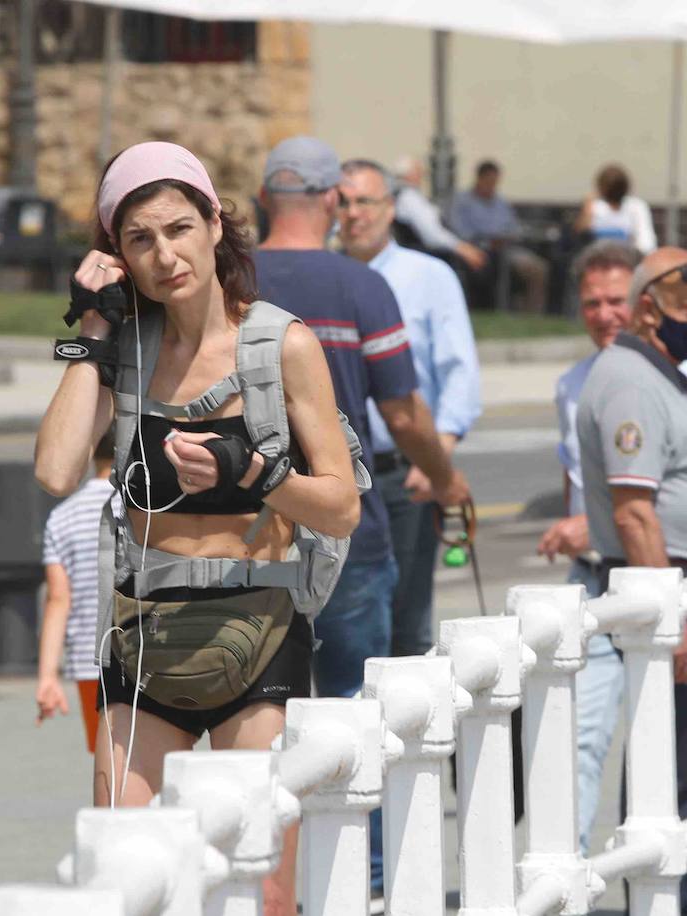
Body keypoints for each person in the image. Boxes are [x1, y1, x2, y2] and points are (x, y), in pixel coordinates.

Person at [35, 140, 362, 916]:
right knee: (118, 863)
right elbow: (55, 473)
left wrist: (254, 473)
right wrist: (90, 328)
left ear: (217, 223)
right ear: (115, 254)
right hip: (146, 635)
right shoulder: (123, 353)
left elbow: (343, 506)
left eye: (180, 228)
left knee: (266, 885)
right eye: (139, 238)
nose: (165, 254)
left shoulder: (282, 345)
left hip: (260, 632)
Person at [253, 137, 469, 903]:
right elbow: (406, 414)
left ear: (263, 199)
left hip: (246, 534)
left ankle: (269, 888)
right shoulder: (360, 286)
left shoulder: (231, 280)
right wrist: (445, 478)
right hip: (347, 529)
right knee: (353, 711)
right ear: (334, 202)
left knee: (259, 720)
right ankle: (367, 886)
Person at [537, 240, 687, 855]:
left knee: (675, 742)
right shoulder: (575, 384)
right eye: (591, 302)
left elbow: (680, 485)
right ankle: (569, 876)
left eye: (615, 298)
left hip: (652, 571)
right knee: (584, 735)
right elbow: (613, 492)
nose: (603, 313)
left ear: (642, 304)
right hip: (605, 578)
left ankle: (649, 870)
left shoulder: (682, 377)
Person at [576, 245, 687, 914]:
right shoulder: (630, 380)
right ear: (648, 308)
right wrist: (670, 618)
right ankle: (667, 901)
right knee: (671, 765)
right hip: (670, 589)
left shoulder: (664, 373)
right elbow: (634, 509)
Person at [338, 157, 483, 658]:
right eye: (343, 201)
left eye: (365, 202)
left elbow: (459, 371)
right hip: (331, 477)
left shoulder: (429, 276)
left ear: (391, 208)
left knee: (405, 627)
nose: (353, 214)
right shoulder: (323, 276)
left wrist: (438, 452)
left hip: (403, 475)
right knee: (339, 629)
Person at [36, 432, 117, 754]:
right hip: (142, 653)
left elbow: (58, 599)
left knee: (107, 759)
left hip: (87, 661)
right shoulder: (143, 505)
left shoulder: (62, 516)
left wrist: (47, 676)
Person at [448, 160, 550, 313]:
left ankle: (531, 314)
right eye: (489, 181)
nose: (492, 186)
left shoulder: (500, 202)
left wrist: (507, 237)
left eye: (495, 182)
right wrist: (486, 241)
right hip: (478, 250)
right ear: (479, 178)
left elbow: (514, 228)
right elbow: (460, 232)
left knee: (539, 268)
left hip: (508, 248)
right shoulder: (463, 201)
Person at [391, 155, 488, 273]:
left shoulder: (400, 194)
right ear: (409, 174)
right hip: (430, 256)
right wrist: (462, 248)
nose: (423, 175)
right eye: (419, 171)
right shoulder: (410, 198)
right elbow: (432, 234)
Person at [573, 163, 657, 255]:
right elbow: (581, 233)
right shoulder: (595, 206)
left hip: (627, 259)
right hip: (597, 259)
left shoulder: (635, 206)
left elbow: (646, 242)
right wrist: (588, 207)